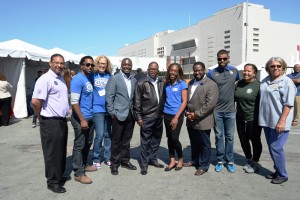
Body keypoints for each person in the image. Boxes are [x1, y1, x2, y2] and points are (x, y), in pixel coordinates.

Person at [31, 54, 69, 193]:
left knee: (60, 150)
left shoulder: (60, 79)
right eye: (56, 63)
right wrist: (41, 116)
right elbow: (35, 102)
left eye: (61, 63)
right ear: (50, 63)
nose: (59, 65)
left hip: (61, 120)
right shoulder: (45, 79)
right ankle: (52, 182)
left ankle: (58, 176)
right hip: (50, 121)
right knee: (52, 152)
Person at [259, 57, 296, 184]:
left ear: (283, 68)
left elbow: (288, 104)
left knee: (276, 147)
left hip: (279, 122)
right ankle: (277, 170)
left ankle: (282, 174)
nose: (275, 68)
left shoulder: (287, 82)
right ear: (268, 68)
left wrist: (282, 121)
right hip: (266, 121)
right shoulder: (265, 80)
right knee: (271, 147)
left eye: (278, 66)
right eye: (272, 66)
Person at [207, 49, 239, 173]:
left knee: (230, 137)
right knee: (219, 136)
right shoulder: (212, 73)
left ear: (228, 58)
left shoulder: (234, 71)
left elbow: (240, 83)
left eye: (224, 58)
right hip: (217, 110)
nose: (222, 61)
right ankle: (220, 160)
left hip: (231, 110)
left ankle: (229, 160)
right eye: (219, 59)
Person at [185, 62, 218, 176]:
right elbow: (188, 100)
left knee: (204, 144)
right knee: (194, 142)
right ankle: (194, 160)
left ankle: (204, 165)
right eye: (195, 70)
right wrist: (187, 112)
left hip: (203, 120)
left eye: (199, 70)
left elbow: (210, 104)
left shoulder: (211, 84)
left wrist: (196, 114)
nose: (197, 72)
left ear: (204, 70)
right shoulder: (191, 83)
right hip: (190, 119)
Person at [106, 58, 137, 175]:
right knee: (116, 141)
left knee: (126, 141)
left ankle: (125, 161)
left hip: (130, 114)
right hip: (118, 114)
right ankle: (114, 164)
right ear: (121, 65)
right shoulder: (114, 78)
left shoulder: (133, 80)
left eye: (129, 65)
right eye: (125, 65)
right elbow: (109, 97)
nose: (127, 67)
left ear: (131, 66)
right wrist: (112, 113)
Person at [133, 61, 165, 175]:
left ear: (158, 70)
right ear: (147, 69)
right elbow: (136, 102)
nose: (152, 70)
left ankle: (153, 159)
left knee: (156, 140)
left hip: (159, 117)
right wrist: (139, 117)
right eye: (150, 68)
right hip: (147, 117)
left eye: (155, 69)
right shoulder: (141, 82)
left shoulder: (161, 82)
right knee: (145, 142)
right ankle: (144, 164)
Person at [70, 56, 96, 184]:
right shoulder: (77, 80)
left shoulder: (90, 77)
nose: (90, 67)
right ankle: (78, 173)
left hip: (90, 117)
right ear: (81, 65)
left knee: (88, 143)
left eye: (92, 65)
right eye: (87, 64)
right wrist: (82, 119)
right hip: (80, 118)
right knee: (79, 145)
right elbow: (74, 102)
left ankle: (84, 164)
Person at [235, 64, 262, 173]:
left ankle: (255, 162)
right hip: (240, 117)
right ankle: (249, 159)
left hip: (253, 118)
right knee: (243, 139)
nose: (246, 73)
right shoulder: (239, 84)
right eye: (244, 71)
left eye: (249, 71)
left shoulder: (259, 86)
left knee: (255, 140)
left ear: (254, 73)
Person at [163, 63, 187, 172]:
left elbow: (184, 101)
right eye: (171, 70)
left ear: (178, 72)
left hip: (176, 115)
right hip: (166, 114)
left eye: (175, 71)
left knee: (174, 138)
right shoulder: (166, 84)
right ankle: (172, 160)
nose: (173, 72)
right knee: (169, 138)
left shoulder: (182, 84)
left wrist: (176, 117)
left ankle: (180, 159)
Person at [90, 55, 112, 169]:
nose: (102, 65)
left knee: (108, 135)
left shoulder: (110, 76)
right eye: (100, 63)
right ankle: (96, 158)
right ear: (97, 64)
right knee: (99, 134)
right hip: (97, 110)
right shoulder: (92, 76)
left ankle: (108, 157)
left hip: (108, 109)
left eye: (104, 63)